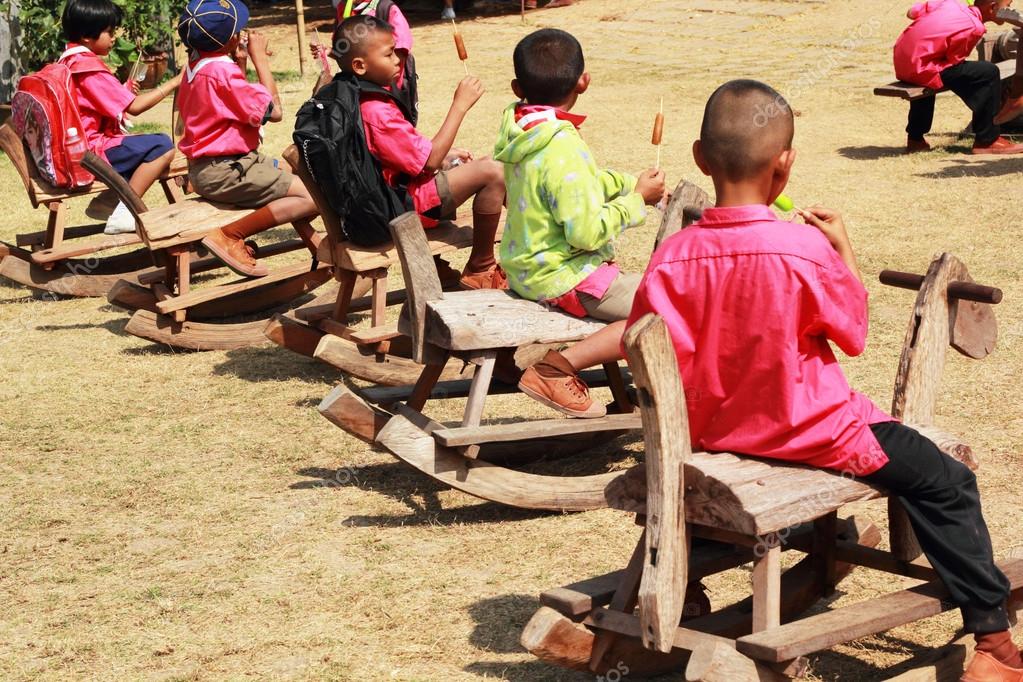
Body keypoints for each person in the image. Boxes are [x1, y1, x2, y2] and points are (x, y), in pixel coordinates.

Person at [628, 78, 1021, 682]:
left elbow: (649, 345)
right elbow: (854, 333)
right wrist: (843, 250)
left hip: (709, 431)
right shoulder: (802, 250)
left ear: (700, 158)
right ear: (785, 164)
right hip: (813, 431)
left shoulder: (672, 255)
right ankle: (994, 642)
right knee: (947, 481)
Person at [500, 29, 665, 418]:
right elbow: (585, 232)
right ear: (583, 81)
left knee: (660, 297)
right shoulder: (563, 146)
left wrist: (627, 184)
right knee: (672, 306)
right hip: (566, 276)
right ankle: (556, 369)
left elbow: (576, 188)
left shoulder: (525, 130)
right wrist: (637, 201)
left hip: (528, 269)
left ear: (517, 87)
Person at [334, 15, 507, 289]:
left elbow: (403, 152)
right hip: (399, 210)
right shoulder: (376, 110)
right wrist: (459, 105)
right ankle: (481, 267)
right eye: (389, 54)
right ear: (360, 65)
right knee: (493, 171)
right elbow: (429, 161)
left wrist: (446, 155)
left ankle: (442, 268)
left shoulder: (353, 96)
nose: (397, 60)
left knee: (480, 163)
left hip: (382, 201)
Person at [176, 0, 320, 277]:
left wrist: (239, 61)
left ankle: (305, 236)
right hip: (227, 171)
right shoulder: (221, 72)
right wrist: (260, 60)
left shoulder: (197, 66)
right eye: (239, 29)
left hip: (212, 168)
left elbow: (233, 105)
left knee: (294, 170)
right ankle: (230, 236)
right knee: (311, 197)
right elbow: (274, 111)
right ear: (230, 39)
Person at [60, 0, 181, 235]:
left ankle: (106, 202)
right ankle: (126, 211)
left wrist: (122, 91)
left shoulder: (69, 60)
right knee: (162, 145)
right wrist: (174, 83)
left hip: (79, 147)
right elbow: (134, 107)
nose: (114, 37)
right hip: (91, 153)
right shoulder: (88, 68)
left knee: (144, 144)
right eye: (109, 32)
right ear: (87, 36)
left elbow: (98, 103)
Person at [894, 0, 1023, 154]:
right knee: (988, 73)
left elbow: (911, 12)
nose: (1010, 9)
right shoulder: (975, 27)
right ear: (993, 7)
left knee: (933, 77)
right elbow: (954, 58)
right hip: (923, 68)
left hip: (903, 62)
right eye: (1007, 6)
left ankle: (915, 139)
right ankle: (987, 140)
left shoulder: (949, 3)